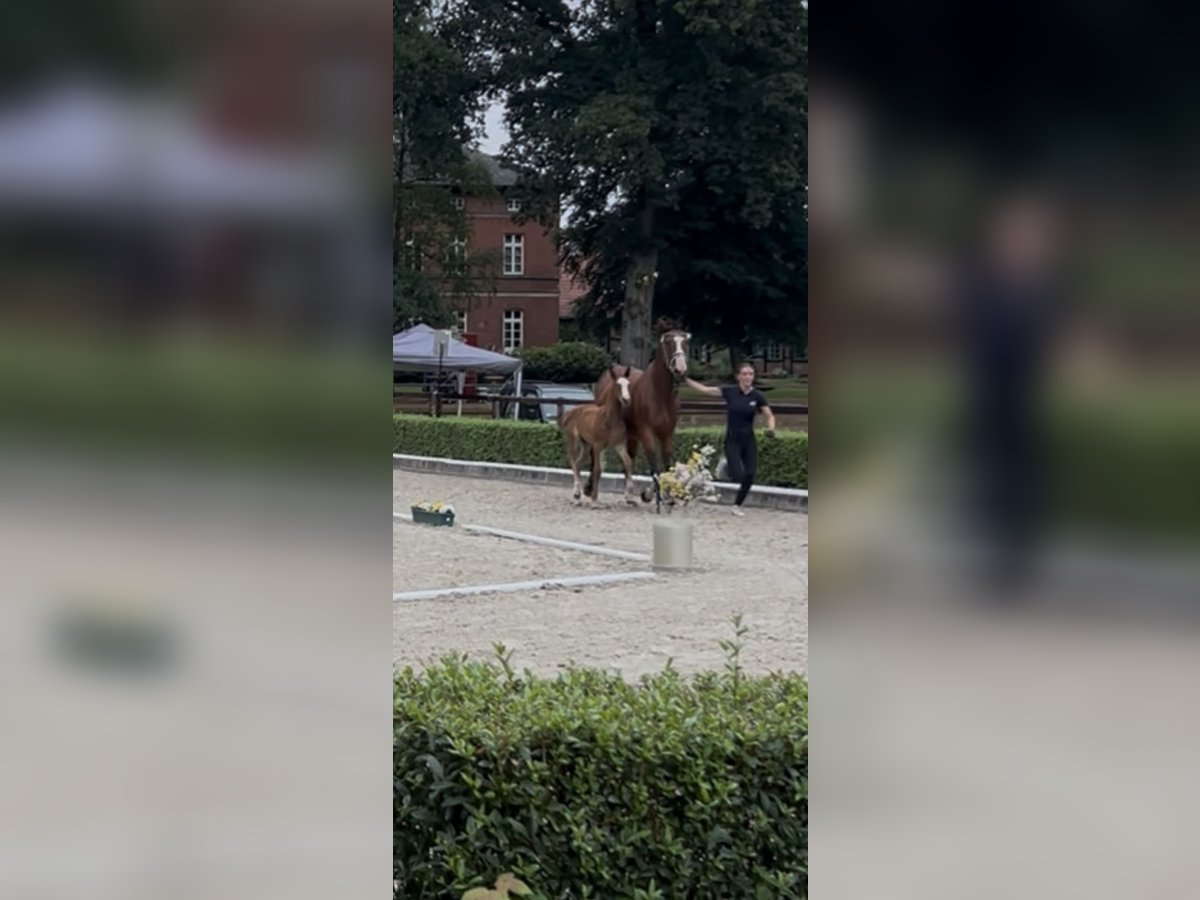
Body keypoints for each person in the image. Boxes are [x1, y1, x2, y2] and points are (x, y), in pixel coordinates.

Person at [685, 363, 776, 515]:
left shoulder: (757, 396)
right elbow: (704, 389)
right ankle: (726, 466)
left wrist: (771, 428)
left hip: (748, 439)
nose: (748, 377)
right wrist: (685, 379)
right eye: (744, 374)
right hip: (732, 438)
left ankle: (737, 505)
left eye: (751, 374)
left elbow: (770, 415)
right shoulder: (730, 391)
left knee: (750, 474)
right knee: (738, 475)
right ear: (738, 376)